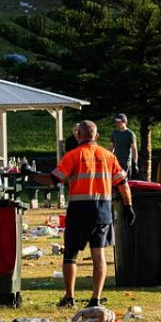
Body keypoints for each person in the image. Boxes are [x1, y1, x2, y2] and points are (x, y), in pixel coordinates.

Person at [22, 120, 135, 309]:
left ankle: (69, 297)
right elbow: (123, 183)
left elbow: (52, 180)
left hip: (79, 211)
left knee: (71, 255)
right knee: (98, 255)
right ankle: (95, 299)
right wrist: (128, 206)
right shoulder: (108, 156)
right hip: (103, 211)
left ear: (78, 136)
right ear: (97, 136)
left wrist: (30, 173)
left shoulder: (73, 155)